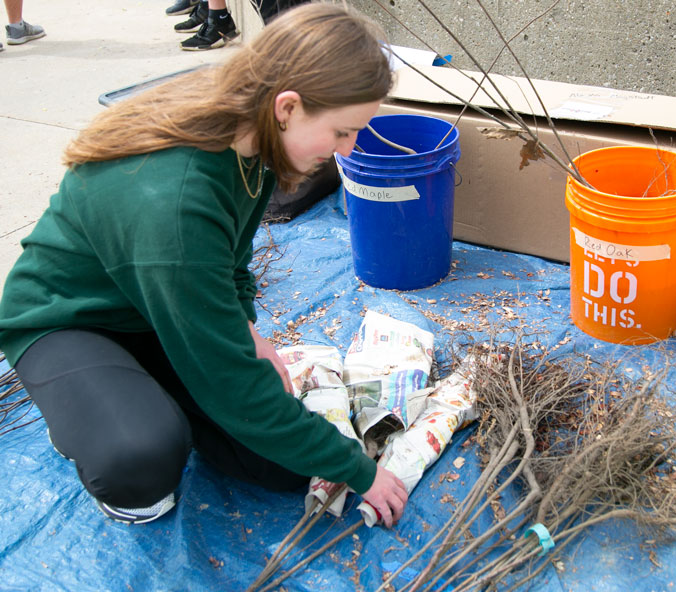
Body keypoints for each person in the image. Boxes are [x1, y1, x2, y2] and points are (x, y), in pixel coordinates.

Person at [0, 2, 408, 527]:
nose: (345, 151)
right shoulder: (175, 201)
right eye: (342, 133)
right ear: (287, 107)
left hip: (156, 307)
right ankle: (87, 416)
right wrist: (361, 471)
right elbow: (229, 381)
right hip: (70, 320)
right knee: (141, 461)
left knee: (283, 467)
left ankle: (132, 392)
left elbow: (231, 259)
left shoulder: (253, 138)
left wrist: (246, 331)